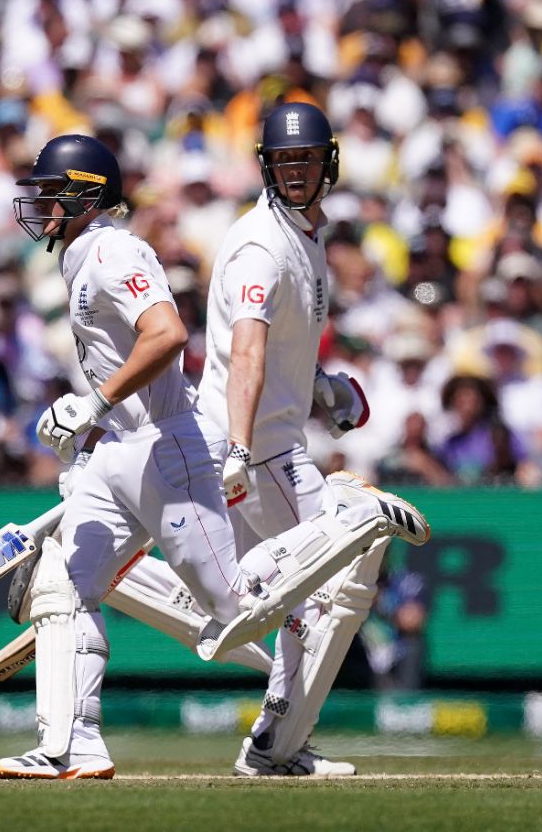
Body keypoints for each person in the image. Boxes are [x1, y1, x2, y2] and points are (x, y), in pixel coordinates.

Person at [0, 134, 427, 780]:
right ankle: (69, 746)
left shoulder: (115, 249)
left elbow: (167, 333)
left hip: (169, 447)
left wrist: (92, 402)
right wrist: (93, 427)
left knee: (239, 612)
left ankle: (350, 518)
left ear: (89, 195)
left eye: (53, 194)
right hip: (118, 452)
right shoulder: (78, 256)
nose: (42, 207)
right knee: (63, 583)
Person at [124, 103, 432, 777]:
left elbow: (279, 352)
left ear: (328, 166)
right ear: (267, 166)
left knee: (278, 603)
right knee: (342, 561)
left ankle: (274, 740)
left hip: (269, 441)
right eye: (286, 161)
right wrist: (237, 448)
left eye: (307, 161)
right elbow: (248, 351)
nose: (297, 173)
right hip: (259, 452)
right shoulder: (264, 243)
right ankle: (275, 741)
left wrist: (323, 388)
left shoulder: (303, 238)